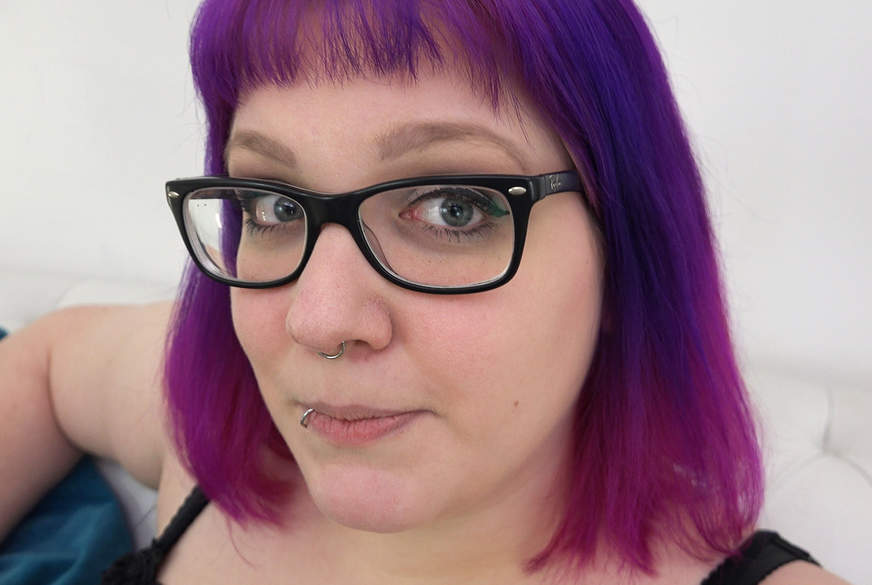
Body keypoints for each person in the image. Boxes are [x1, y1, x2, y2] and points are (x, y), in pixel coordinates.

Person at [0, 1, 852, 584]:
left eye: (453, 208)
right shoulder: (213, 435)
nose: (319, 319)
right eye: (273, 205)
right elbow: (46, 362)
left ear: (625, 252)